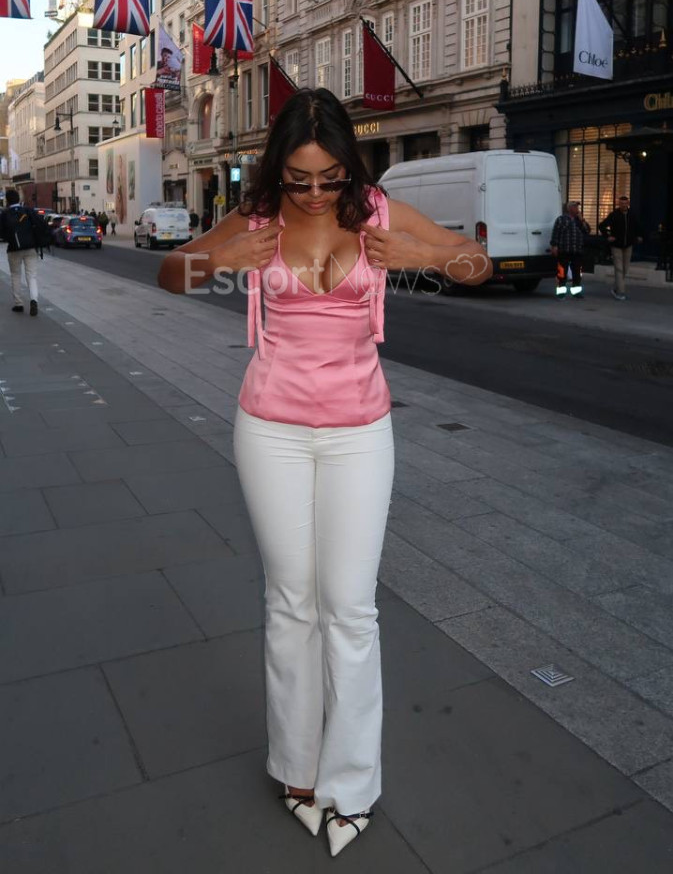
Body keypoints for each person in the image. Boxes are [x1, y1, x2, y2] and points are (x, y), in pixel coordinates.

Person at [157, 89, 492, 857]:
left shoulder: (377, 213)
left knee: (349, 609)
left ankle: (352, 782)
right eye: (299, 178)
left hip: (359, 432)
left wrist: (428, 258)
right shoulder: (258, 217)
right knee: (289, 604)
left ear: (350, 166)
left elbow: (476, 263)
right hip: (269, 428)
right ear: (278, 167)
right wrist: (215, 260)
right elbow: (172, 273)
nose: (313, 193)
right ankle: (296, 769)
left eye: (329, 178)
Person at [0, 188, 47, 316]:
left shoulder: (4, 214)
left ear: (7, 201)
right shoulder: (28, 211)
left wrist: (10, 238)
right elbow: (39, 225)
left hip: (14, 249)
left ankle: (18, 304)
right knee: (31, 276)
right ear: (19, 199)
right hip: (30, 248)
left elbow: (2, 233)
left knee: (15, 275)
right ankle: (34, 300)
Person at [599, 195, 643, 300]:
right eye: (621, 203)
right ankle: (620, 292)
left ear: (628, 204)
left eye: (625, 203)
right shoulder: (614, 215)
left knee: (625, 269)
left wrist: (639, 236)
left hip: (628, 245)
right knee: (619, 268)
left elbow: (637, 227)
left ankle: (616, 288)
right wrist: (608, 236)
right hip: (616, 245)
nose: (623, 205)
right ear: (619, 204)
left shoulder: (632, 215)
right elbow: (601, 225)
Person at [550, 200, 591, 298]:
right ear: (569, 209)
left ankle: (576, 292)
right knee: (562, 272)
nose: (577, 209)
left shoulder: (579, 220)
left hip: (577, 250)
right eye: (575, 207)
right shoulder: (561, 219)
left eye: (577, 207)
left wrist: (582, 220)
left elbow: (587, 231)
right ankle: (561, 292)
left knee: (577, 272)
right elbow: (555, 233)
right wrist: (554, 246)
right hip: (564, 249)